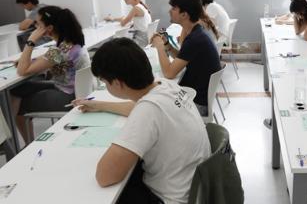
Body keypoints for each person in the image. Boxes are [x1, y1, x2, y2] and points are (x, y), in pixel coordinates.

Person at [73, 38, 210, 203]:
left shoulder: (148, 111)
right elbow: (138, 108)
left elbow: (105, 176)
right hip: (196, 187)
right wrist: (99, 105)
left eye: (104, 82)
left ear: (117, 83)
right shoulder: (166, 86)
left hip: (170, 199)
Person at [10, 6, 89, 143]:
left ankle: (18, 143)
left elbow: (22, 71)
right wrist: (29, 60)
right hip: (73, 90)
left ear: (50, 28)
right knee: (18, 89)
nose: (36, 27)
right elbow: (43, 61)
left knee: (16, 103)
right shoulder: (69, 43)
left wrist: (31, 41)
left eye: (38, 24)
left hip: (68, 98)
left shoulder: (59, 51)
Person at [150, 0, 221, 116]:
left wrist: (160, 47)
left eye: (173, 8)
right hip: (195, 96)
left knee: (153, 107)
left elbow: (169, 73)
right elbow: (183, 57)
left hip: (195, 104)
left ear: (184, 14)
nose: (169, 11)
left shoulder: (195, 39)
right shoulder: (197, 33)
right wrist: (167, 45)